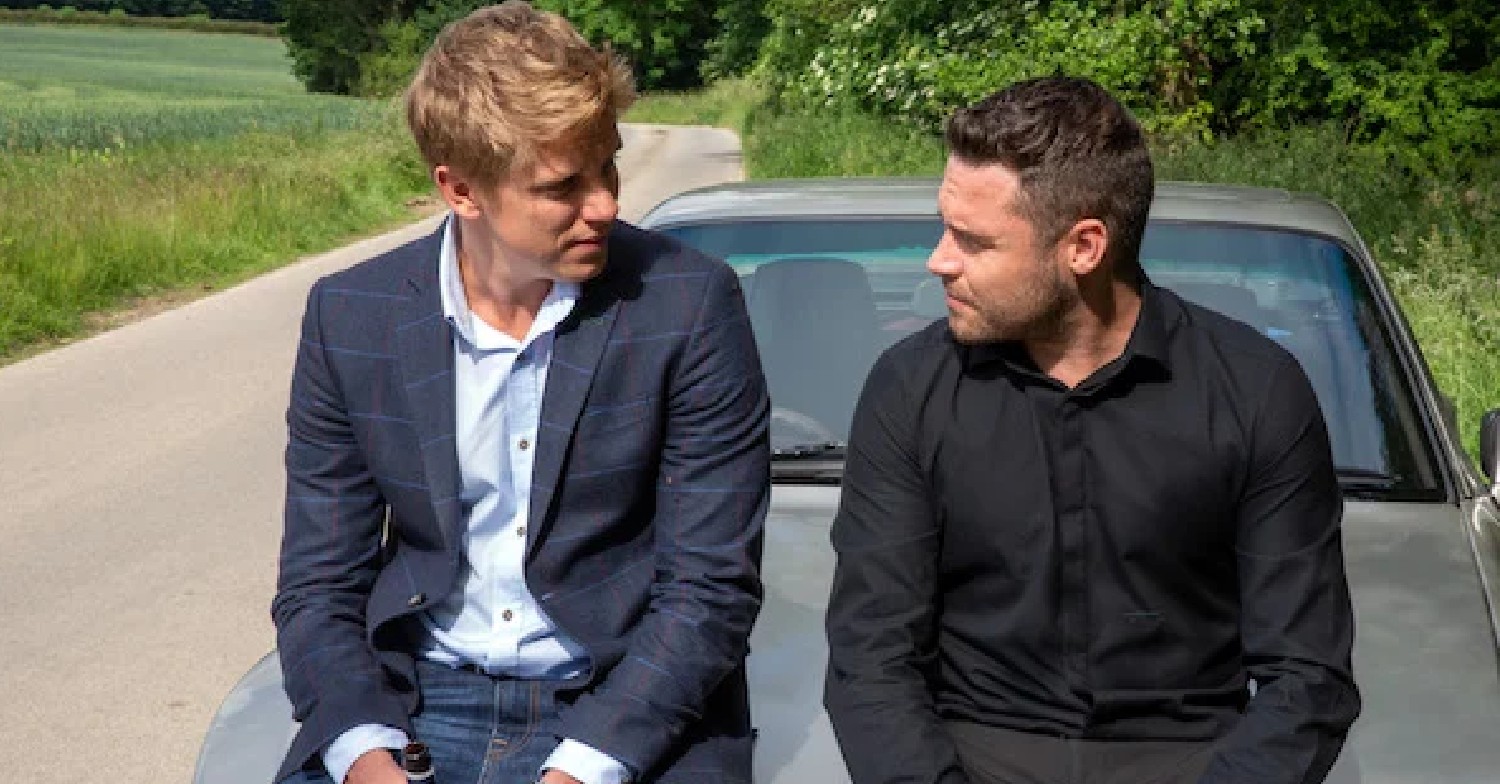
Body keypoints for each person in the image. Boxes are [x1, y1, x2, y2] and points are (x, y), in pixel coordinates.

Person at [270, 4, 770, 784]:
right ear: (461, 191)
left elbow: (709, 589)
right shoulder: (351, 317)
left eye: (607, 166)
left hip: (623, 699)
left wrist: (576, 773)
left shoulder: (689, 303)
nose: (603, 204)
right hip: (417, 699)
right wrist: (366, 754)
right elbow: (319, 585)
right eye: (562, 186)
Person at [823, 76, 1360, 784]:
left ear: (1084, 247)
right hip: (969, 754)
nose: (938, 260)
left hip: (1198, 762)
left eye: (973, 241)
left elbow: (1306, 676)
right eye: (945, 227)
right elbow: (872, 657)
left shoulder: (1256, 389)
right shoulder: (909, 389)